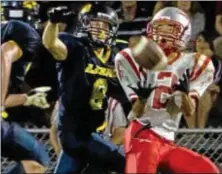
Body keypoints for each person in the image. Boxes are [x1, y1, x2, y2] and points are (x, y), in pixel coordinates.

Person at [115, 7, 220, 173]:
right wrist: (142, 98)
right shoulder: (132, 59)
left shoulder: (194, 63)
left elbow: (189, 111)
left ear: (184, 33)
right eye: (159, 28)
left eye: (169, 28)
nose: (163, 34)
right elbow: (137, 113)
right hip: (142, 135)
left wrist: (184, 95)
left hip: (167, 141)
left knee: (207, 170)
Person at [42, 3, 130, 174]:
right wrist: (52, 23)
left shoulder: (114, 56)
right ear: (84, 24)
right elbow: (51, 44)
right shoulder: (75, 47)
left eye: (103, 25)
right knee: (125, 165)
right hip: (74, 132)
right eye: (94, 23)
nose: (99, 29)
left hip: (93, 132)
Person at [1, 19, 50, 174]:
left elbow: (5, 99)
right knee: (37, 159)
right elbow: (5, 52)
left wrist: (27, 98)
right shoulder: (29, 35)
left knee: (37, 161)